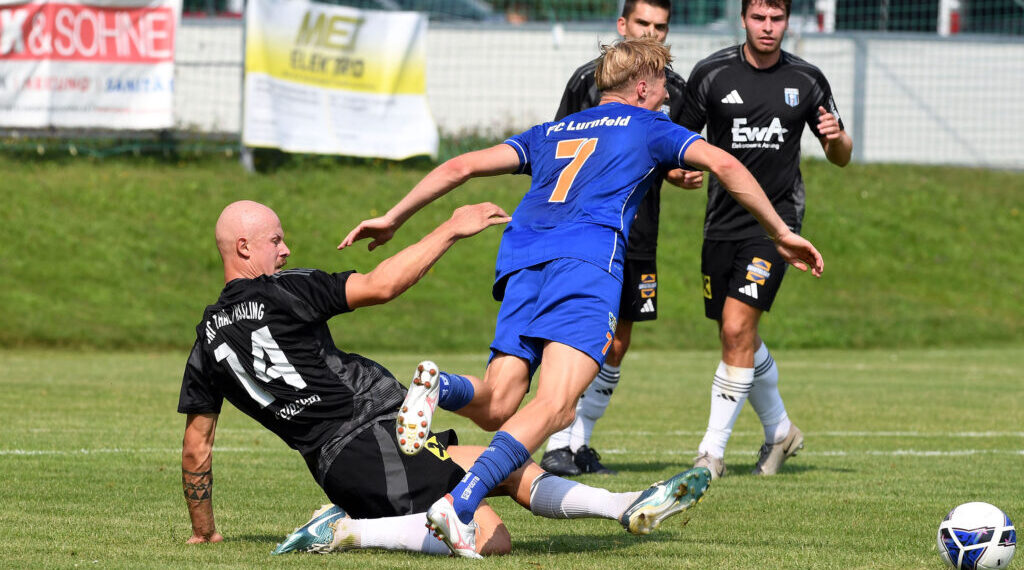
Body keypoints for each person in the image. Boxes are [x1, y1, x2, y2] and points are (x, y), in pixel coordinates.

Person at [341, 37, 824, 557]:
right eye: (662, 89)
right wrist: (779, 232)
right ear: (642, 86)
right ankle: (461, 501)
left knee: (499, 403)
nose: (666, 99)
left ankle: (441, 389)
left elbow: (461, 167)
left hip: (524, 256)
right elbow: (727, 165)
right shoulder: (650, 125)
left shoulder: (553, 131)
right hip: (585, 264)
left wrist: (393, 216)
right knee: (557, 407)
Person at [178, 200, 710, 558]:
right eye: (276, 239)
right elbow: (381, 284)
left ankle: (622, 505)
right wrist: (451, 228)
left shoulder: (206, 340)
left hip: (354, 454)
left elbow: (196, 448)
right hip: (371, 441)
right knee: (489, 536)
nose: (286, 249)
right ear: (244, 248)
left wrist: (206, 533)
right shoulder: (283, 291)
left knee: (505, 467)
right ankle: (348, 530)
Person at [678, 0, 853, 479]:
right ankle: (780, 431)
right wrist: (676, 173)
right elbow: (675, 140)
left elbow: (841, 155)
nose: (768, 28)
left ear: (788, 21)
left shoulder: (808, 80)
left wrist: (836, 138)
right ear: (743, 19)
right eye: (759, 18)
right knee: (737, 335)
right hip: (720, 224)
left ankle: (710, 453)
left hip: (775, 228)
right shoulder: (711, 74)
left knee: (737, 329)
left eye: (777, 19)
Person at [541, 0, 703, 477]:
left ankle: (580, 443)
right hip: (585, 230)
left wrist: (676, 174)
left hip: (639, 232)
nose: (651, 33)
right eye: (642, 24)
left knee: (617, 340)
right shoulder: (586, 81)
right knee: (577, 333)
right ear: (622, 25)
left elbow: (674, 152)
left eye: (661, 26)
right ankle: (556, 441)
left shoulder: (675, 87)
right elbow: (558, 147)